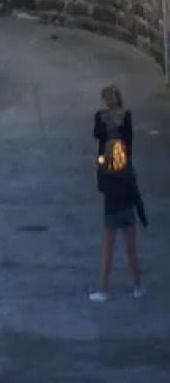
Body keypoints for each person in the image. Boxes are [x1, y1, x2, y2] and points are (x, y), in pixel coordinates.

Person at [91, 84, 148, 302]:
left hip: (115, 196)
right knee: (127, 246)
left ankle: (106, 289)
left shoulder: (124, 117)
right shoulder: (102, 117)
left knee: (111, 247)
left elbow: (126, 139)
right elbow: (98, 134)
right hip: (120, 192)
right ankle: (136, 286)